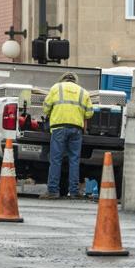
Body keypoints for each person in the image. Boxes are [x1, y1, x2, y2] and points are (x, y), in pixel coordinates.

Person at [40, 71, 93, 199]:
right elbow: (89, 113)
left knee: (56, 160)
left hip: (59, 128)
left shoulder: (55, 88)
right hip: (76, 129)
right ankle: (74, 192)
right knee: (74, 160)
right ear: (75, 81)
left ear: (62, 79)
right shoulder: (83, 92)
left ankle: (53, 191)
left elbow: (46, 108)